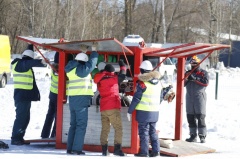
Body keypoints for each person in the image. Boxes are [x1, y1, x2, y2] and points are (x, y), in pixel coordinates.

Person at [127, 60, 174, 157]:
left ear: (142, 70)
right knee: (153, 131)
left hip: (144, 112)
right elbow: (160, 97)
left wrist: (129, 111)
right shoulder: (158, 83)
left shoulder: (142, 84)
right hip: (155, 112)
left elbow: (136, 99)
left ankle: (144, 152)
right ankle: (156, 151)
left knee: (143, 132)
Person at [65, 43, 98, 155]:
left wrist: (83, 53)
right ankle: (77, 149)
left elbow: (81, 62)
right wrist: (94, 51)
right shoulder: (81, 71)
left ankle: (70, 148)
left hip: (73, 100)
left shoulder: (71, 69)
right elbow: (91, 64)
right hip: (81, 100)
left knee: (73, 125)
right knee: (81, 125)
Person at [11, 44, 47, 145]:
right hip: (21, 96)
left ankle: (20, 137)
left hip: (25, 96)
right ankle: (15, 138)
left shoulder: (22, 64)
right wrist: (41, 62)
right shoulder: (19, 64)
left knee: (25, 118)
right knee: (21, 117)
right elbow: (28, 63)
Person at [93, 60, 126, 156]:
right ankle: (117, 149)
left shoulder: (100, 79)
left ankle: (104, 150)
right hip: (113, 107)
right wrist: (122, 65)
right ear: (112, 72)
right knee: (118, 128)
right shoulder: (114, 78)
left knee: (105, 129)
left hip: (104, 107)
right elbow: (123, 74)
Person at [184, 55, 209, 143]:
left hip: (199, 97)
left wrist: (194, 79)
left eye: (195, 63)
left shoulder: (203, 73)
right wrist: (186, 78)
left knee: (200, 116)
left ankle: (202, 136)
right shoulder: (188, 73)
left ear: (199, 64)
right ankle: (192, 135)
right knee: (190, 116)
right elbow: (182, 83)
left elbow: (205, 83)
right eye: (192, 63)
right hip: (189, 97)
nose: (193, 65)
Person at [41, 52, 59, 138]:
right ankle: (54, 135)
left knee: (50, 114)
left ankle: (45, 134)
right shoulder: (60, 69)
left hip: (52, 94)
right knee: (58, 116)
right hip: (59, 95)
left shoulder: (54, 67)